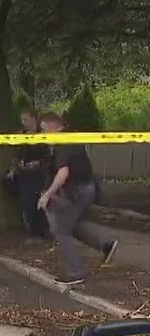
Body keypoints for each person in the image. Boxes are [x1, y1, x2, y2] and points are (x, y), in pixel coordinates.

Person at [37, 111, 119, 285]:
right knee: (71, 225)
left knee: (60, 230)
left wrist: (48, 195)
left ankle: (76, 272)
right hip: (85, 188)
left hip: (78, 191)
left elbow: (63, 172)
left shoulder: (63, 142)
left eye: (44, 130)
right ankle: (105, 245)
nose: (43, 134)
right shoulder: (71, 137)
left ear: (53, 126)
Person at [10, 109, 51, 239]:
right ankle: (33, 233)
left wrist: (38, 164)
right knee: (27, 203)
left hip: (39, 175)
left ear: (34, 118)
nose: (23, 122)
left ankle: (43, 231)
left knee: (40, 203)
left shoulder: (43, 135)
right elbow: (15, 156)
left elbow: (49, 157)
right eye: (22, 120)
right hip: (25, 176)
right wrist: (18, 165)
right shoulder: (21, 136)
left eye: (25, 119)